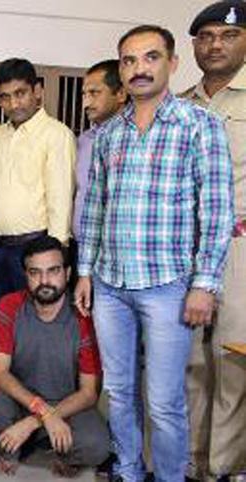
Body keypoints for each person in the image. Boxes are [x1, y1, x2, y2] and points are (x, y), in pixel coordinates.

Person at [75, 25, 234, 482]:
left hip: (168, 287)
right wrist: (85, 272)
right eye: (129, 60)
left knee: (165, 403)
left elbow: (217, 210)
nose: (139, 68)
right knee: (120, 392)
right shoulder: (108, 134)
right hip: (110, 286)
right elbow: (95, 207)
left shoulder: (198, 125)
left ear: (172, 63)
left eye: (150, 57)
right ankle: (128, 472)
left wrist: (204, 284)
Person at [0, 236, 110, 478]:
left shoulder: (84, 319)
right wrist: (42, 411)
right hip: (19, 401)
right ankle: (17, 445)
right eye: (35, 273)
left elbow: (89, 393)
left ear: (68, 273)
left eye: (53, 271)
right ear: (26, 275)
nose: (44, 281)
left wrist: (39, 419)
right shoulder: (9, 306)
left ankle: (45, 444)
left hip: (67, 407)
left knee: (97, 445)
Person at [181, 2, 246, 480]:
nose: (215, 45)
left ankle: (224, 467)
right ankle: (189, 463)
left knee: (232, 361)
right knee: (189, 362)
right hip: (187, 247)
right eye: (205, 37)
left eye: (227, 35)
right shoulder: (181, 104)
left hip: (240, 248)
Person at [0, 58, 76, 317]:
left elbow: (60, 197)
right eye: (5, 97)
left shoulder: (56, 134)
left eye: (20, 93)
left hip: (33, 246)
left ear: (37, 91)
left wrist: (55, 255)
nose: (14, 104)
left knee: (32, 318)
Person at [72, 59, 126, 254]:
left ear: (121, 94)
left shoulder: (136, 140)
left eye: (94, 93)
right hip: (79, 248)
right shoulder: (83, 140)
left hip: (116, 253)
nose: (86, 102)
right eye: (84, 94)